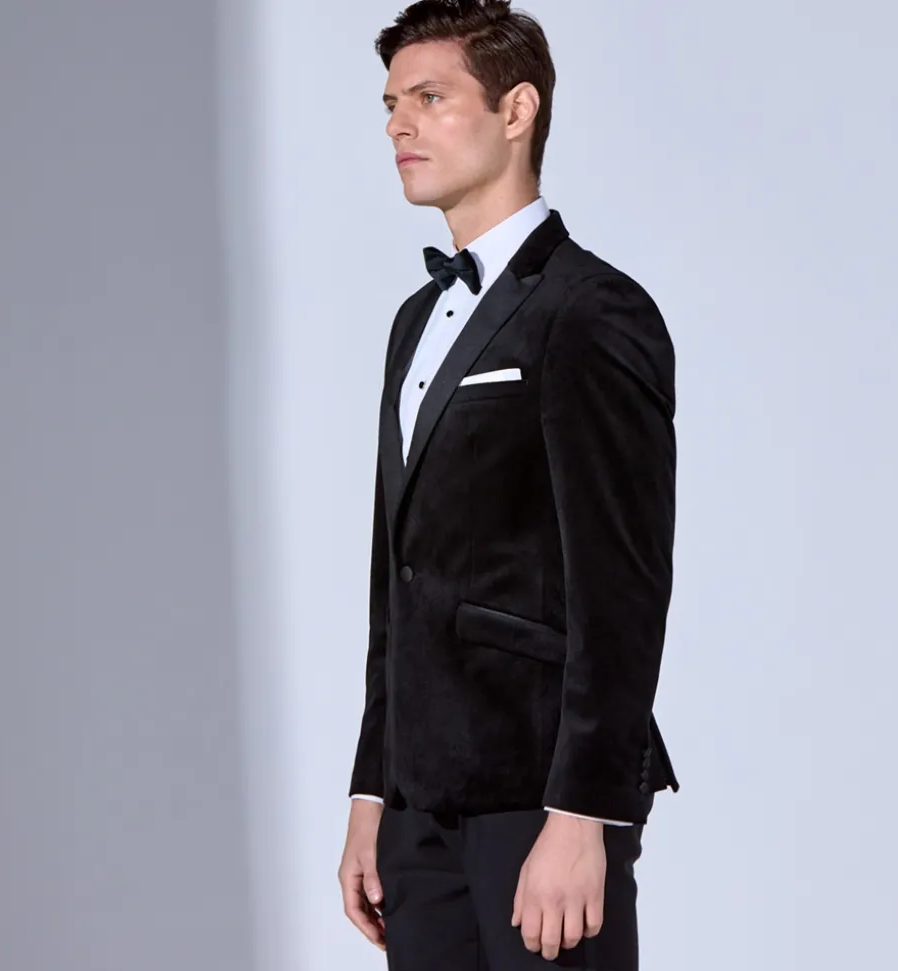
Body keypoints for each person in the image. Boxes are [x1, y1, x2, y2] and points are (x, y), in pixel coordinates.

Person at [337, 2, 679, 968]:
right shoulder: (415, 321)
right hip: (419, 805)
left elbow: (622, 588)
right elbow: (396, 579)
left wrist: (583, 815)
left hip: (541, 797)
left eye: (430, 98)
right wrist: (371, 793)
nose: (399, 125)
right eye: (391, 104)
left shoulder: (591, 310)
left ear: (517, 109)